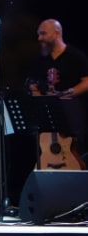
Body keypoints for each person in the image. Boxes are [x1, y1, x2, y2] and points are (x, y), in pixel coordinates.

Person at [26, 19, 88, 167]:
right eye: (39, 34)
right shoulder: (40, 60)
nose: (39, 38)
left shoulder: (75, 56)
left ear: (56, 33)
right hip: (48, 120)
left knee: (75, 153)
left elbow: (87, 81)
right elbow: (32, 85)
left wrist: (68, 93)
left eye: (43, 34)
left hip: (72, 118)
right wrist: (40, 98)